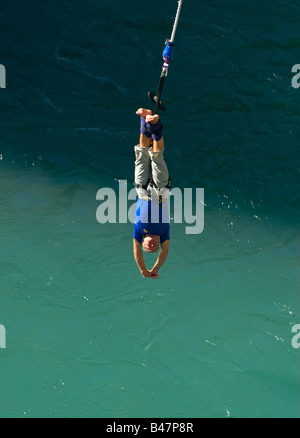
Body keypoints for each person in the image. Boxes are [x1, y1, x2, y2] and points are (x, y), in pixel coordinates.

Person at [133, 108, 170, 279]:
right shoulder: (163, 233)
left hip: (141, 190)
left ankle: (144, 120)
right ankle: (155, 124)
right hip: (160, 190)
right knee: (156, 157)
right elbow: (164, 253)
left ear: (144, 243)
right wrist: (156, 268)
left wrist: (143, 269)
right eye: (155, 247)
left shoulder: (139, 232)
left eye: (149, 246)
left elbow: (136, 252)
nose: (153, 245)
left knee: (141, 153)